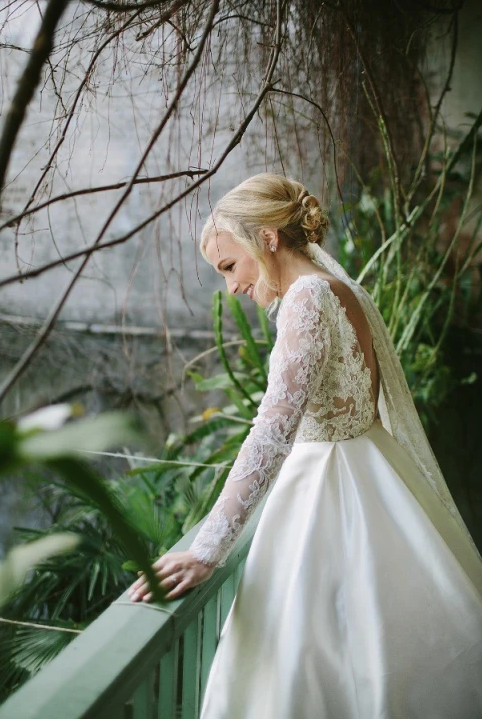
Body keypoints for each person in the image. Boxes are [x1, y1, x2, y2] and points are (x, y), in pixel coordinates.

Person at [127, 173, 482, 718]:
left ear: (266, 236)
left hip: (329, 495)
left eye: (229, 267)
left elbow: (272, 430)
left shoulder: (307, 298)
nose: (232, 287)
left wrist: (207, 548)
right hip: (374, 473)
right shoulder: (342, 290)